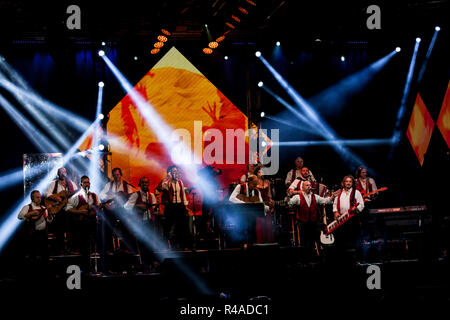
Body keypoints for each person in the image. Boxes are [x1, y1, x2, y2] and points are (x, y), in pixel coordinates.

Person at [287, 181, 333, 256]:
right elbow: (289, 203)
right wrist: (288, 197)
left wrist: (331, 197)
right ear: (302, 187)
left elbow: (325, 200)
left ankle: (314, 257)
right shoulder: (298, 197)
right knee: (304, 242)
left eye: (309, 185)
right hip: (303, 223)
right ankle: (305, 259)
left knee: (313, 241)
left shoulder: (315, 196)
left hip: (313, 223)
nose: (309, 186)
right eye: (307, 185)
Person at [124, 176, 159, 271]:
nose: (145, 184)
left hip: (150, 223)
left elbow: (155, 209)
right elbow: (126, 207)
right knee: (142, 245)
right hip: (140, 223)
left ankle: (151, 265)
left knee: (150, 244)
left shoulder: (151, 196)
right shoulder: (136, 195)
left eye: (147, 182)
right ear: (140, 184)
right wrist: (138, 206)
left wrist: (155, 211)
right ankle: (144, 265)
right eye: (143, 183)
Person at [66, 176, 101, 267]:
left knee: (95, 245)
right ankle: (85, 267)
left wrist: (97, 209)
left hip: (92, 223)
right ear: (81, 184)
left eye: (88, 182)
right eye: (85, 182)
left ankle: (96, 266)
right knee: (84, 246)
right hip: (81, 223)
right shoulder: (76, 195)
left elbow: (98, 207)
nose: (87, 184)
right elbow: (67, 208)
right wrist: (79, 211)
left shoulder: (94, 195)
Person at [44, 167, 77, 254]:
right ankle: (60, 248)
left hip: (69, 209)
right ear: (58, 174)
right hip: (58, 209)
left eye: (64, 172)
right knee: (60, 228)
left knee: (71, 227)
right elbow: (46, 193)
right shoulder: (53, 184)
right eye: (61, 172)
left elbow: (77, 195)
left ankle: (71, 248)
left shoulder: (71, 184)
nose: (63, 174)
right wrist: (55, 197)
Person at [157, 166, 189, 249]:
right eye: (174, 171)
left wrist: (185, 205)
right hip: (170, 206)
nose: (176, 173)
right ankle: (165, 245)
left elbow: (183, 193)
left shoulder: (180, 182)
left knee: (181, 226)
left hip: (179, 205)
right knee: (167, 226)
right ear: (169, 173)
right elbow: (163, 187)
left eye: (177, 171)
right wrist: (169, 179)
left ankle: (181, 245)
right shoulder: (167, 182)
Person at [18, 190, 53, 265]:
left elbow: (49, 221)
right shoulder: (27, 207)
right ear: (32, 198)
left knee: (45, 254)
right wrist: (31, 213)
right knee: (33, 254)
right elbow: (20, 216)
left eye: (40, 197)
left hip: (43, 234)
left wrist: (49, 212)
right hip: (33, 234)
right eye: (37, 197)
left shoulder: (44, 208)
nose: (39, 199)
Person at [332, 175, 365, 253]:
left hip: (352, 219)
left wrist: (356, 208)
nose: (348, 183)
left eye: (350, 181)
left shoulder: (356, 192)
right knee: (342, 240)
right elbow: (335, 204)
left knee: (353, 239)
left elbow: (361, 204)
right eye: (346, 181)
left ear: (352, 183)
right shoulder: (339, 193)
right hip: (341, 219)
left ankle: (355, 256)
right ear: (343, 183)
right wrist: (335, 212)